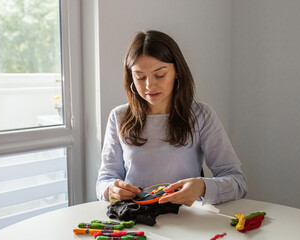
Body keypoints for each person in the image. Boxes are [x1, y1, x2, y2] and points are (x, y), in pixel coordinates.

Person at [96, 30, 247, 207]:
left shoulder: (201, 115)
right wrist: (111, 190)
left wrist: (203, 187)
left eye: (160, 75)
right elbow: (104, 180)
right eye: (140, 77)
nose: (149, 85)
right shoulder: (119, 117)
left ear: (177, 72)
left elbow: (238, 182)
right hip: (135, 221)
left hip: (187, 219)